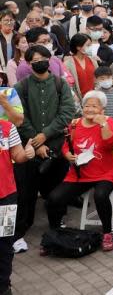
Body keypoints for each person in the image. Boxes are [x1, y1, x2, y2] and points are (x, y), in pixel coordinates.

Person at [13, 44, 76, 251]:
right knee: (26, 192)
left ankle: (56, 224)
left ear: (50, 60)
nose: (39, 62)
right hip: (28, 149)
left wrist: (45, 135)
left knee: (55, 189)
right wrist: (35, 140)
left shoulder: (60, 84)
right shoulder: (21, 87)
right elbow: (19, 118)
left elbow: (67, 112)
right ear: (28, 64)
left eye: (42, 58)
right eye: (34, 60)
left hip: (56, 146)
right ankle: (20, 232)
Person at [45, 91, 113, 252]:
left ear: (102, 109)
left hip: (106, 172)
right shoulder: (74, 124)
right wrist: (67, 154)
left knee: (100, 195)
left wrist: (103, 125)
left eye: (94, 106)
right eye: (87, 105)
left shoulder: (109, 122)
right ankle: (55, 233)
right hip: (79, 174)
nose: (90, 109)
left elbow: (111, 145)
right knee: (53, 198)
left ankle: (107, 233)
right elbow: (66, 144)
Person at [0, 115, 34, 295]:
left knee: (4, 244)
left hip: (6, 196)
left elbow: (18, 156)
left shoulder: (7, 128)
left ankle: (4, 286)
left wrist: (28, 153)